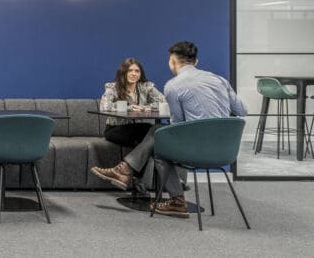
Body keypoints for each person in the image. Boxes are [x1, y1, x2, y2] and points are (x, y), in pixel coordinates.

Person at [91, 41, 247, 217]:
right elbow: (242, 111)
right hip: (225, 150)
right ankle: (127, 172)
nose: (134, 74)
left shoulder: (174, 86)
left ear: (172, 61)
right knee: (156, 132)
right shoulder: (221, 80)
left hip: (195, 151)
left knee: (158, 138)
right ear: (196, 62)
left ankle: (173, 198)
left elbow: (176, 124)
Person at [100, 57, 167, 149]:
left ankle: (137, 158)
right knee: (146, 134)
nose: (133, 74)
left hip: (138, 127)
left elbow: (164, 101)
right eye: (129, 71)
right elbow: (104, 107)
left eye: (137, 71)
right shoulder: (113, 87)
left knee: (155, 130)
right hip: (115, 129)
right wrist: (129, 107)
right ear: (123, 72)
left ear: (140, 74)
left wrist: (145, 107)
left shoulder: (146, 87)